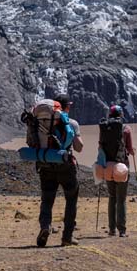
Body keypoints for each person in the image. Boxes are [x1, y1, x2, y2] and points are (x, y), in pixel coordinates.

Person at [36, 94, 83, 247]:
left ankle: (45, 227)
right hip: (65, 166)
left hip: (45, 164)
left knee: (47, 199)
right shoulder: (72, 123)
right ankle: (67, 237)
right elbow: (79, 147)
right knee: (71, 199)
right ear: (66, 106)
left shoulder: (40, 122)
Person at [102, 105, 135, 238]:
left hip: (108, 166)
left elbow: (100, 145)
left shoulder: (104, 127)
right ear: (121, 114)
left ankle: (111, 230)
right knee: (121, 199)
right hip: (121, 167)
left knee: (112, 197)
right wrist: (132, 151)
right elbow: (130, 149)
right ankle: (122, 230)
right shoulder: (126, 129)